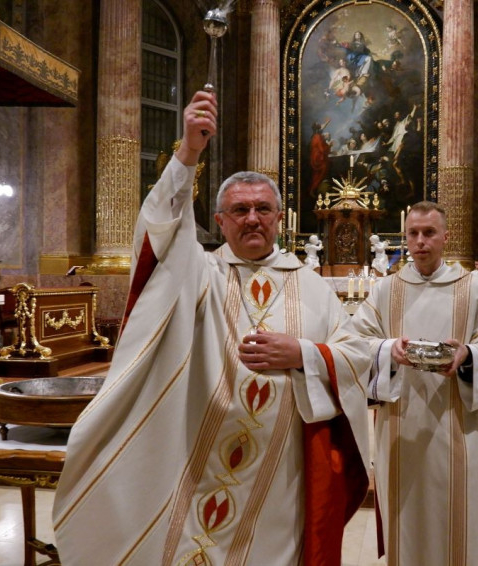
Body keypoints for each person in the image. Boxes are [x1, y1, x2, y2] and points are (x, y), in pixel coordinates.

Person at [53, 91, 371, 565]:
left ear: (279, 218)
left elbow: (356, 354)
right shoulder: (198, 274)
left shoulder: (313, 286)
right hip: (197, 460)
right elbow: (160, 227)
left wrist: (304, 354)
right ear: (220, 221)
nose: (252, 219)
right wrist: (189, 151)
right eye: (240, 210)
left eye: (263, 209)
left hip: (282, 472)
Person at [352, 201, 478, 566]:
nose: (420, 241)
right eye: (413, 233)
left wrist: (469, 355)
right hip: (401, 426)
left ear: (445, 237)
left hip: (460, 425)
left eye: (429, 233)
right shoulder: (386, 290)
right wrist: (387, 350)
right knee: (406, 512)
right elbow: (354, 343)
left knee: (462, 511)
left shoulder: (474, 289)